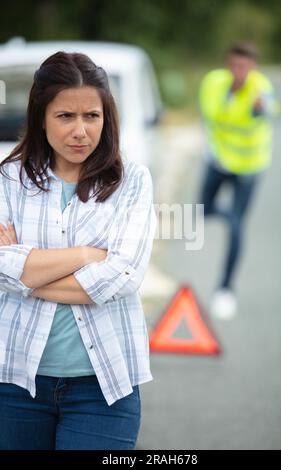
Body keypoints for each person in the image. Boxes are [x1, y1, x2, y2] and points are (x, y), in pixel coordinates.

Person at [0, 51, 156, 450]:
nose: (81, 131)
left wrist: (24, 274)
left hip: (104, 386)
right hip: (14, 383)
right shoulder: (7, 179)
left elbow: (122, 276)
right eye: (65, 116)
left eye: (92, 116)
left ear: (107, 118)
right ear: (40, 118)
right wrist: (87, 255)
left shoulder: (132, 181)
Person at [198, 43, 278, 320]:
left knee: (236, 226)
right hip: (218, 161)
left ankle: (225, 289)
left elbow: (267, 108)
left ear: (252, 68)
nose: (237, 71)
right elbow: (209, 115)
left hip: (248, 168)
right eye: (233, 65)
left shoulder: (260, 89)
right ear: (226, 64)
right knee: (201, 210)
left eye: (243, 67)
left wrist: (259, 108)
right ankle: (227, 213)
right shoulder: (213, 82)